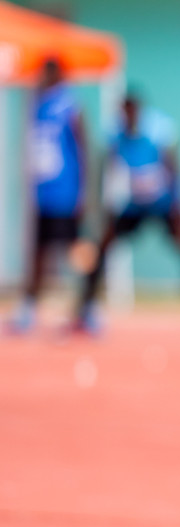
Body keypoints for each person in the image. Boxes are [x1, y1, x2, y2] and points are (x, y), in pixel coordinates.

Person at [72, 92, 180, 339]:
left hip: (164, 204)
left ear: (139, 111)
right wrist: (108, 208)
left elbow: (174, 169)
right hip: (135, 205)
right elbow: (111, 171)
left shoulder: (158, 131)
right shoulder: (116, 134)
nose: (127, 117)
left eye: (131, 111)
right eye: (124, 112)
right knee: (103, 247)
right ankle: (83, 311)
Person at [7, 57, 88, 334]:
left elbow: (82, 149)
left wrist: (83, 192)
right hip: (44, 194)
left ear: (57, 75)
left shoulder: (70, 106)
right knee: (39, 253)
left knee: (75, 251)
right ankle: (28, 309)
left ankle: (87, 308)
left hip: (67, 193)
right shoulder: (38, 105)